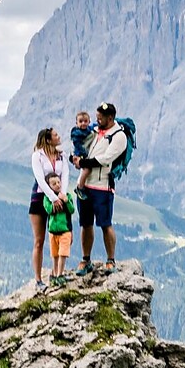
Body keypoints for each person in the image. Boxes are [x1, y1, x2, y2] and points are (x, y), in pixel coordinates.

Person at [76, 102, 128, 273]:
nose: (97, 120)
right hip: (85, 185)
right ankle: (86, 260)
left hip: (102, 186)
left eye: (100, 118)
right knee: (86, 223)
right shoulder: (95, 130)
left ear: (110, 118)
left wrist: (83, 163)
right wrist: (75, 158)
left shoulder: (119, 136)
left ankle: (111, 260)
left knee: (105, 224)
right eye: (96, 117)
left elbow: (106, 159)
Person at [27, 127, 66, 289]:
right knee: (39, 240)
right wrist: (53, 197)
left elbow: (65, 176)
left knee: (59, 235)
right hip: (40, 198)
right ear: (49, 140)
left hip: (57, 200)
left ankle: (56, 273)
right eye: (56, 135)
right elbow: (40, 179)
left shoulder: (61, 156)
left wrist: (62, 195)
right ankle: (38, 279)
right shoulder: (37, 156)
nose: (59, 136)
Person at [43, 178, 76, 282]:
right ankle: (55, 273)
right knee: (55, 254)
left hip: (65, 230)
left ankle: (60, 274)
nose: (57, 185)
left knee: (63, 253)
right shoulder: (47, 198)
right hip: (52, 232)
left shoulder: (67, 196)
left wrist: (66, 201)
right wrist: (54, 201)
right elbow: (48, 209)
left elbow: (71, 210)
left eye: (58, 182)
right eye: (54, 184)